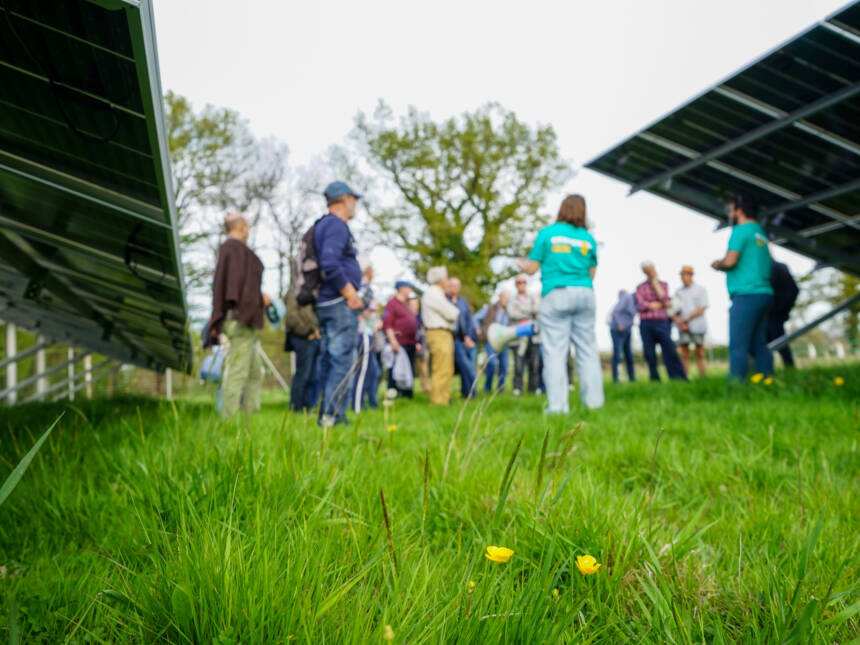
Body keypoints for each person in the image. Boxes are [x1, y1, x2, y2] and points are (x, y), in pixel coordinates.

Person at [516, 194, 604, 411]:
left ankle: (557, 408)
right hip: (585, 293)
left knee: (555, 352)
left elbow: (532, 269)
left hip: (556, 293)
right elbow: (592, 274)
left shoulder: (548, 234)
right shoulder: (588, 238)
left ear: (562, 208)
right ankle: (593, 404)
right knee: (588, 351)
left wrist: (521, 264)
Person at [209, 212, 270, 418]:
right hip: (239, 320)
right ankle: (228, 419)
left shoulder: (231, 250)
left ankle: (249, 418)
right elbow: (235, 287)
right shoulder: (234, 248)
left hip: (243, 320)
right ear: (242, 227)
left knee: (254, 372)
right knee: (238, 372)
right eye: (248, 226)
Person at [315, 181, 365, 426]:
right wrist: (350, 294)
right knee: (342, 360)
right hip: (338, 303)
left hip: (326, 303)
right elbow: (330, 263)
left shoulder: (323, 225)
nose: (355, 205)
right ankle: (333, 416)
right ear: (345, 199)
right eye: (354, 200)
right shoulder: (336, 225)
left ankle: (326, 415)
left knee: (329, 360)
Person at [712, 194, 774, 380]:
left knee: (738, 343)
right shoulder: (760, 231)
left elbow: (730, 261)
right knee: (758, 343)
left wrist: (718, 264)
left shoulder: (740, 230)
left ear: (739, 210)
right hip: (764, 292)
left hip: (746, 293)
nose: (730, 213)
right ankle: (766, 380)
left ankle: (736, 384)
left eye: (731, 209)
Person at [635, 261, 688, 381]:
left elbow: (666, 301)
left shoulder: (663, 284)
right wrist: (661, 304)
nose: (651, 272)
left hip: (662, 322)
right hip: (646, 323)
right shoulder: (640, 287)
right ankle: (654, 378)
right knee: (649, 353)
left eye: (652, 270)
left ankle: (677, 377)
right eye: (648, 271)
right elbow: (641, 305)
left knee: (670, 350)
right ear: (644, 272)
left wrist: (655, 284)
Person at [421, 266, 461, 405]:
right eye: (446, 277)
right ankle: (438, 400)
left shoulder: (438, 293)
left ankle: (444, 398)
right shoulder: (433, 293)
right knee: (441, 367)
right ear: (440, 279)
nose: (447, 280)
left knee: (447, 367)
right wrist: (454, 312)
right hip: (438, 332)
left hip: (444, 333)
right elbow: (452, 313)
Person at [284, 283, 321, 412]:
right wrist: (308, 332)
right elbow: (291, 316)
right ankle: (296, 406)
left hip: (315, 337)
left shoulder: (313, 291)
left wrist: (317, 331)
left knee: (313, 375)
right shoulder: (294, 291)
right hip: (302, 338)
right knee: (303, 373)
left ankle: (308, 406)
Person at [382, 281, 418, 398]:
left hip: (410, 342)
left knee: (409, 369)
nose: (411, 290)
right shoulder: (392, 303)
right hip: (398, 343)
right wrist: (393, 341)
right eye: (409, 288)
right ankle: (393, 394)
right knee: (395, 370)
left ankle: (407, 394)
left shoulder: (406, 304)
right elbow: (388, 324)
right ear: (401, 288)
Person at [507, 274, 542, 395]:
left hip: (533, 336)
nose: (521, 284)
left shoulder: (533, 297)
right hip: (518, 335)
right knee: (518, 363)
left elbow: (538, 310)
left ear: (526, 283)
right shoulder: (511, 299)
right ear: (515, 285)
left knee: (534, 363)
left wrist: (521, 312)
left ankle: (534, 388)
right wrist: (529, 314)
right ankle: (517, 388)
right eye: (518, 282)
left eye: (523, 282)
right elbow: (512, 314)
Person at [672, 266, 709, 377]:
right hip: (683, 327)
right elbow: (673, 310)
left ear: (691, 275)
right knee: (684, 353)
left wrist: (686, 319)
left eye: (685, 274)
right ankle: (685, 377)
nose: (683, 277)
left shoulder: (701, 290)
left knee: (700, 352)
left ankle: (703, 377)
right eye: (682, 275)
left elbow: (701, 309)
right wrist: (680, 322)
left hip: (697, 326)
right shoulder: (678, 292)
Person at [447, 276, 478, 398]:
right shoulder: (445, 300)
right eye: (451, 285)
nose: (453, 288)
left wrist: (469, 337)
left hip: (464, 340)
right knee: (465, 366)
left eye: (455, 285)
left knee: (468, 367)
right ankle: (471, 393)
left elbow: (469, 321)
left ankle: (468, 393)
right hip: (451, 339)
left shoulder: (462, 302)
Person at [475, 291, 510, 393]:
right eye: (504, 298)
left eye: (508, 298)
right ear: (499, 297)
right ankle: (487, 388)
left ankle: (501, 389)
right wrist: (478, 329)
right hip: (491, 340)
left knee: (503, 365)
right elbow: (475, 318)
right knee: (491, 363)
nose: (506, 300)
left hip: (504, 341)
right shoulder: (489, 308)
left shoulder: (509, 311)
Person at [767, 259, 799, 368]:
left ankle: (789, 367)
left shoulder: (777, 267)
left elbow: (793, 290)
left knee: (779, 341)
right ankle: (766, 371)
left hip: (775, 313)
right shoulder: (760, 268)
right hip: (764, 312)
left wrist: (781, 308)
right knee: (764, 344)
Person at [352, 302, 381, 412]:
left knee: (369, 373)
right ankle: (357, 406)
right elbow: (362, 311)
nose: (375, 314)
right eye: (372, 311)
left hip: (368, 337)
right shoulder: (363, 299)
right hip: (363, 335)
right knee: (362, 373)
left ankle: (361, 402)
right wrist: (374, 323)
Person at [608, 289, 637, 383]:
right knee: (618, 354)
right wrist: (620, 324)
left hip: (627, 329)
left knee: (629, 355)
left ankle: (632, 378)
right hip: (618, 330)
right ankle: (615, 379)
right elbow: (615, 312)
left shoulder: (633, 300)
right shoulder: (627, 297)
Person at [409, 294, 431, 394]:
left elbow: (423, 331)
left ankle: (425, 388)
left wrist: (420, 342)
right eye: (412, 304)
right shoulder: (407, 316)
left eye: (416, 304)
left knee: (423, 368)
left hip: (422, 347)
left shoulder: (421, 317)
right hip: (410, 345)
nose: (414, 306)